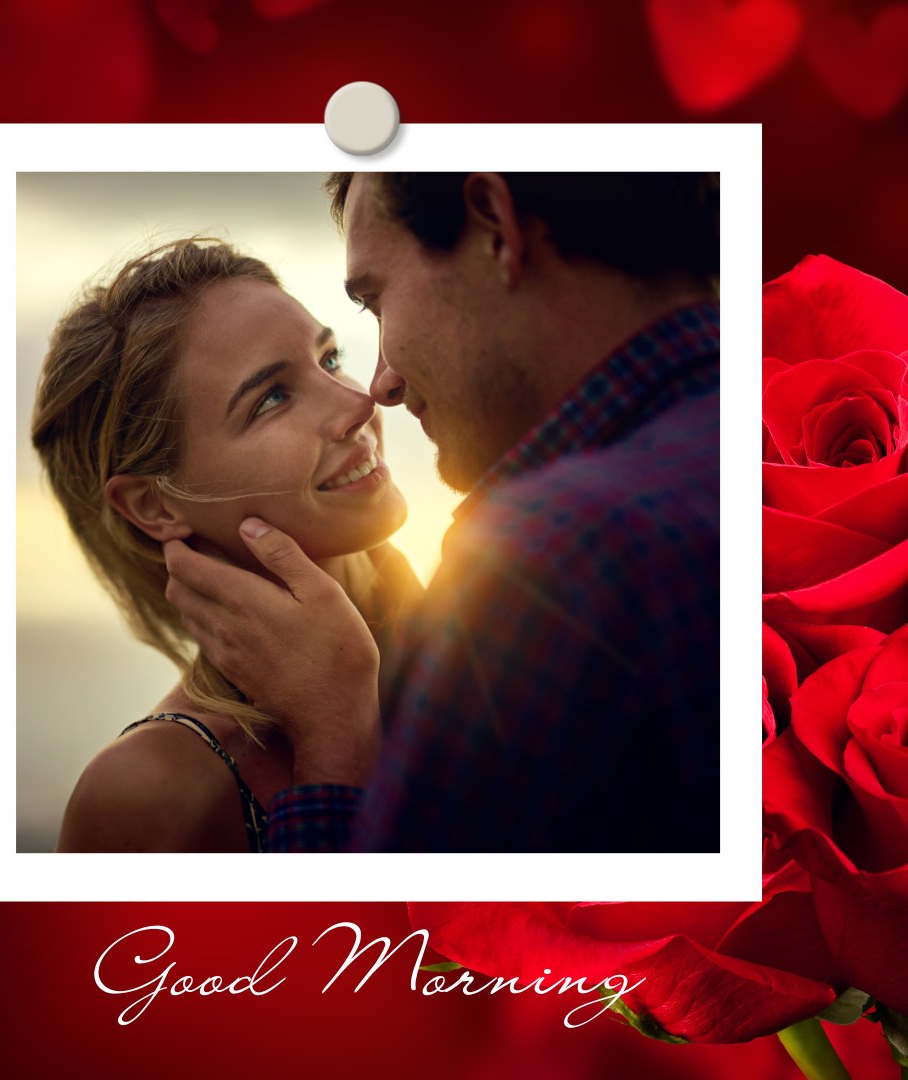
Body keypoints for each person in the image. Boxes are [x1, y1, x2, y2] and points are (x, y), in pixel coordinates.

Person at [164, 172, 721, 853]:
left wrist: (335, 737)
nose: (377, 389)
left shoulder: (560, 555)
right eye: (273, 397)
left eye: (375, 300)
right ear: (148, 502)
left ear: (495, 226)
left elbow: (397, 957)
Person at [30, 237, 419, 853]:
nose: (357, 401)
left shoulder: (481, 641)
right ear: (153, 505)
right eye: (271, 397)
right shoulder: (149, 790)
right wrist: (333, 734)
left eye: (329, 358)